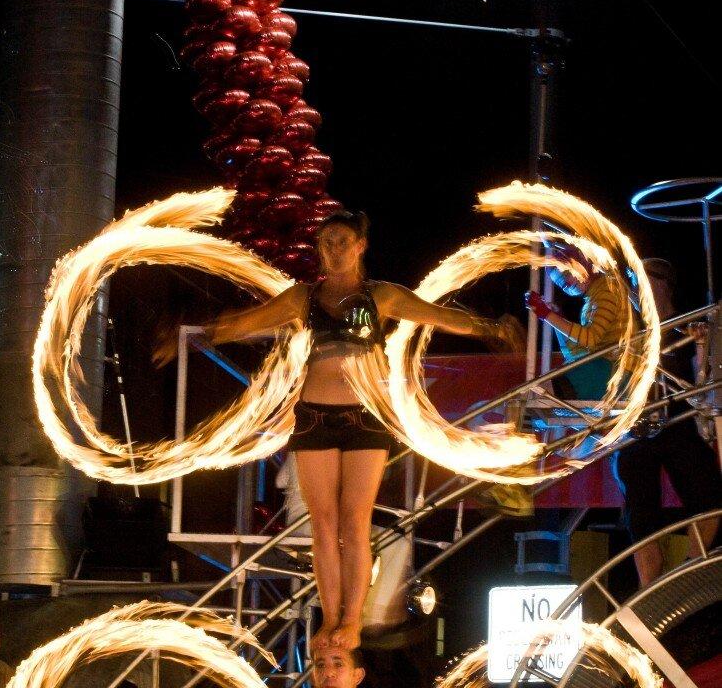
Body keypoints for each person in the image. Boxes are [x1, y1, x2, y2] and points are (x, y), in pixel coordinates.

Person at [154, 210, 523, 649]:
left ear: (360, 245)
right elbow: (246, 322)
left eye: (342, 241)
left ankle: (352, 618)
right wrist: (193, 334)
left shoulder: (381, 296)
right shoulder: (302, 298)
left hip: (364, 418)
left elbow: (438, 316)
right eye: (326, 242)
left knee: (354, 523)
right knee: (323, 526)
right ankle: (331, 619)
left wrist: (492, 328)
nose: (334, 250)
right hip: (313, 417)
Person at [613, 258, 721, 586]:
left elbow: (705, 386)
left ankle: (686, 571)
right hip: (638, 426)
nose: (638, 289)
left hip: (677, 422)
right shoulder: (629, 328)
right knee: (641, 520)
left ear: (663, 285)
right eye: (636, 281)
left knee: (711, 502)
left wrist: (700, 343)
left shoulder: (689, 327)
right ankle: (651, 590)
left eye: (646, 281)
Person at [525, 242, 628, 400]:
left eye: (566, 275)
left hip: (614, 372)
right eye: (561, 285)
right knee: (541, 393)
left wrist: (547, 314)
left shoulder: (608, 291)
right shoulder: (593, 298)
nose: (566, 284)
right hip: (603, 369)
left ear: (581, 263)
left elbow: (590, 339)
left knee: (543, 393)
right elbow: (574, 352)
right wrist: (555, 316)